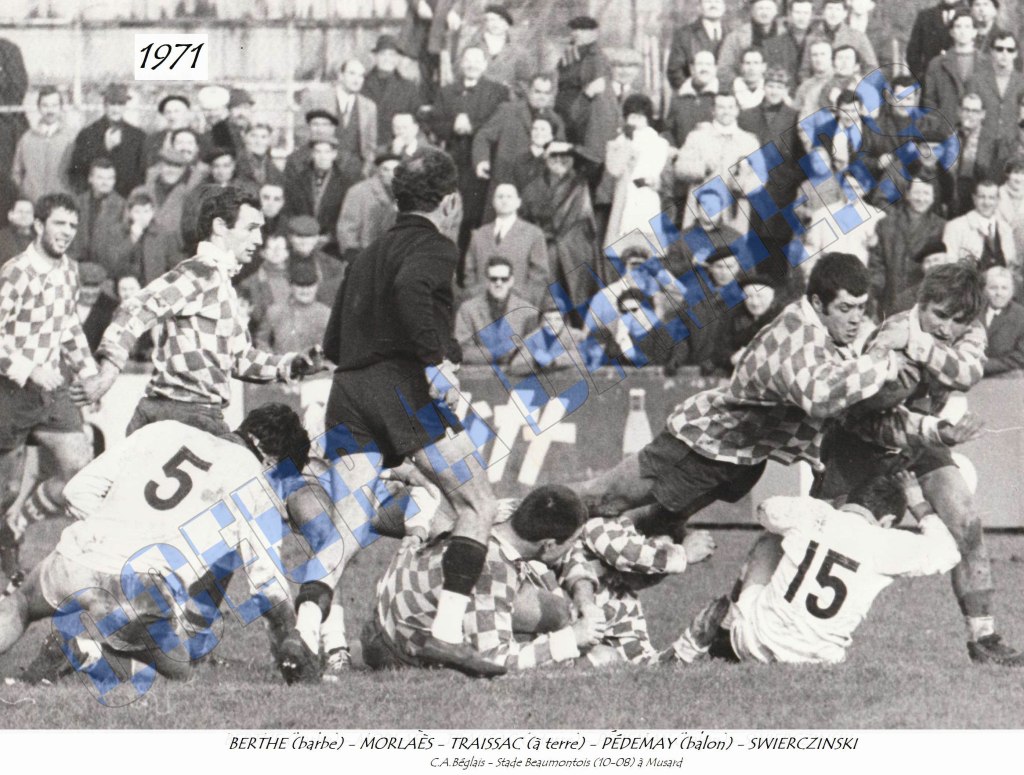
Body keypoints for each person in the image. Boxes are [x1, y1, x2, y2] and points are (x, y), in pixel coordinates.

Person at [572, 252, 956, 537]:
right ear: (817, 303)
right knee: (602, 498)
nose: (855, 318)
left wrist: (932, 429)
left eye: (860, 308)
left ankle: (575, 565)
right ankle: (534, 523)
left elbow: (854, 410)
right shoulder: (794, 332)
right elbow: (821, 396)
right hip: (703, 443)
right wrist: (884, 360)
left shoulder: (833, 339)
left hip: (741, 458)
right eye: (845, 308)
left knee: (653, 525)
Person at [313, 148, 502, 680]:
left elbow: (333, 343)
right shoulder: (436, 246)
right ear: (451, 202)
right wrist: (435, 361)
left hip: (348, 390)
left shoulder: (364, 255)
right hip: (401, 391)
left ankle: (305, 634)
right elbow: (410, 289)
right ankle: (445, 635)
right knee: (478, 503)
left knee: (347, 528)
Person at [0, 403, 309, 689]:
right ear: (272, 461)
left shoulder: (164, 430)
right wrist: (292, 639)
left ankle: (81, 652)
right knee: (181, 674)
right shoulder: (255, 481)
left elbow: (77, 490)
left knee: (21, 603)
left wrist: (114, 529)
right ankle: (84, 651)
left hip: (77, 557)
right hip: (138, 588)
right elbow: (268, 585)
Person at [815, 261, 1024, 664]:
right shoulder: (891, 333)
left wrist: (920, 345)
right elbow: (870, 412)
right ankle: (743, 616)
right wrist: (930, 425)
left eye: (958, 321)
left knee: (967, 522)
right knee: (820, 533)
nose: (947, 328)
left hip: (923, 438)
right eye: (939, 316)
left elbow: (968, 371)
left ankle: (984, 638)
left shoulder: (964, 329)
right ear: (922, 303)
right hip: (862, 439)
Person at [71, 186, 319, 436]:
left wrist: (290, 365)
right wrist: (107, 373)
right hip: (183, 414)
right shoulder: (201, 272)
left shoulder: (220, 282)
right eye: (251, 228)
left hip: (187, 413)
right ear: (220, 226)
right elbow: (135, 309)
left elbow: (239, 359)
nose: (258, 239)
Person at [674, 472, 960, 665]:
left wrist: (817, 509)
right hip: (819, 660)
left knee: (771, 539)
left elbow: (766, 510)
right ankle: (730, 625)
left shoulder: (815, 514)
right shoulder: (885, 541)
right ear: (885, 521)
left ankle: (729, 622)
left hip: (753, 642)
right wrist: (918, 503)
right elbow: (949, 552)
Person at [363, 484, 601, 673]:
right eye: (572, 541)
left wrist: (585, 599)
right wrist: (570, 640)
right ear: (548, 545)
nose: (574, 546)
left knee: (555, 611)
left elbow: (569, 551)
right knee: (557, 617)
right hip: (395, 648)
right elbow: (493, 660)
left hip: (388, 612)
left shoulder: (504, 512)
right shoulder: (492, 573)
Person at [0, 193, 96, 591]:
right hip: (11, 392)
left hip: (53, 391)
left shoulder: (70, 270)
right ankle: (6, 547)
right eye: (59, 223)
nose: (67, 232)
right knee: (5, 491)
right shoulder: (15, 273)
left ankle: (19, 524)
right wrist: (30, 369)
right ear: (39, 225)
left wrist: (89, 372)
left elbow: (69, 326)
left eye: (72, 225)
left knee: (80, 471)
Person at [561, 510, 716, 665]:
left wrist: (691, 646)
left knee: (614, 658)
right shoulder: (597, 524)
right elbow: (627, 554)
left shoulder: (621, 600)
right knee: (606, 656)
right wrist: (682, 553)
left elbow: (643, 664)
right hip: (566, 623)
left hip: (592, 627)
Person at [463, 182, 549, 306]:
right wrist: (474, 296)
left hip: (518, 305)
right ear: (493, 202)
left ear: (518, 202)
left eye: (509, 197)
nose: (504, 200)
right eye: (500, 197)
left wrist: (525, 301)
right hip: (482, 305)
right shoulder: (479, 234)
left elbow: (539, 274)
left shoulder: (533, 234)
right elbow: (469, 271)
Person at [455, 255, 536, 366]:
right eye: (494, 279)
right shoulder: (468, 309)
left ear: (511, 281)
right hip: (479, 373)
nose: (499, 283)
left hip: (516, 373)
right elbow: (461, 350)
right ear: (487, 281)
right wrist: (496, 354)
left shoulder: (528, 311)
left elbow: (536, 349)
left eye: (504, 279)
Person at [68, 84, 146, 198]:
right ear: (104, 104)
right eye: (112, 104)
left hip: (126, 198)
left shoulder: (137, 136)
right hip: (95, 199)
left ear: (125, 106)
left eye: (120, 104)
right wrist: (105, 148)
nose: (116, 109)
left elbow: (142, 173)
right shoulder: (88, 134)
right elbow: (77, 171)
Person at [11, 86, 75, 202]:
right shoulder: (27, 139)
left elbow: (77, 174)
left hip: (61, 204)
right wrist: (24, 195)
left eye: (54, 105)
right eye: (45, 105)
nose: (50, 111)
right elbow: (17, 172)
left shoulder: (71, 139)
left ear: (61, 107)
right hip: (33, 202)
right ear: (38, 107)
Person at [255, 259, 331, 355]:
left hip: (316, 363)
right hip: (282, 362)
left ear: (316, 286)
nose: (305, 291)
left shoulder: (326, 314)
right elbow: (261, 341)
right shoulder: (275, 311)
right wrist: (272, 359)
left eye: (310, 285)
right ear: (291, 286)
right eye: (300, 285)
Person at [942, 178, 1018, 272]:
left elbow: (1012, 266)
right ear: (974, 199)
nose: (986, 203)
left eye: (991, 198)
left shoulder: (1005, 229)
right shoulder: (955, 227)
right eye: (982, 197)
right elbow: (949, 266)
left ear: (998, 200)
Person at [335, 151, 399, 263]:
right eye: (385, 169)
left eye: (395, 170)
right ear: (378, 170)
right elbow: (347, 228)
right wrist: (354, 257)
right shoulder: (359, 191)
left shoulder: (407, 192)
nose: (391, 174)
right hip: (366, 256)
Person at [363, 34, 424, 145]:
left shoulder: (409, 88)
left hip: (397, 147)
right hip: (365, 145)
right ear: (375, 57)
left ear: (397, 59)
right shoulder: (362, 84)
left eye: (392, 55)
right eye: (383, 54)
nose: (387, 59)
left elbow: (417, 122)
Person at [68, 157, 125, 272]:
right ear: (90, 179)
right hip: (77, 264)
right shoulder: (78, 203)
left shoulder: (122, 206)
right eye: (100, 178)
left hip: (107, 268)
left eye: (110, 178)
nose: (105, 183)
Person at [666, 0, 730, 94]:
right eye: (708, 1)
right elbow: (675, 70)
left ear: (724, 7)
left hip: (727, 98)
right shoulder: (685, 34)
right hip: (695, 96)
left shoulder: (732, 35)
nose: (713, 5)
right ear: (699, 6)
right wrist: (690, 92)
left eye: (717, 1)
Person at [907, 0, 967, 84]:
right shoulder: (925, 16)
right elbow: (913, 52)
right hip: (931, 81)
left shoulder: (970, 15)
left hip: (961, 82)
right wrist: (921, 77)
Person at [980, 266, 1024, 375]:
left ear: (1012, 291)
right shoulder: (974, 311)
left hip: (1005, 378)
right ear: (985, 289)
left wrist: (983, 365)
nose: (999, 293)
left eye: (1004, 288)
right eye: (993, 288)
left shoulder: (1020, 316)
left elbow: (1020, 357)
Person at [0, 198, 34, 263]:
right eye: (20, 212)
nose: (24, 215)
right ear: (10, 215)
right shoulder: (2, 238)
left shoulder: (39, 239)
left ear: (33, 217)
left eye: (28, 212)